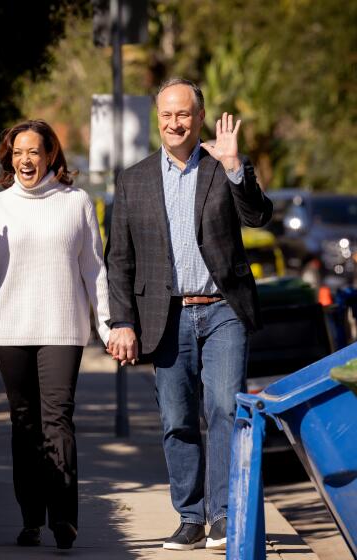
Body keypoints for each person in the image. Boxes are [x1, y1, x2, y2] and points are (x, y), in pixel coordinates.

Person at [105, 78, 272, 551]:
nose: (175, 123)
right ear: (156, 120)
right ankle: (190, 516)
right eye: (167, 115)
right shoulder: (132, 180)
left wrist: (236, 167)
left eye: (184, 115)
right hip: (166, 316)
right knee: (176, 418)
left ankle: (222, 515)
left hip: (223, 311)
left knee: (223, 409)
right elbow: (119, 258)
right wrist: (122, 321)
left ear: (199, 118)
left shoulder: (223, 167)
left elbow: (259, 217)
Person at [0, 120, 110, 550]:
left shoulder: (76, 202)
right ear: (9, 158)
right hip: (9, 329)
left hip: (63, 327)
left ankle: (64, 519)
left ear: (51, 155)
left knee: (57, 420)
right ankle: (31, 518)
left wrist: (107, 325)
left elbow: (94, 269)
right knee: (25, 423)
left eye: (33, 151)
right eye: (17, 153)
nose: (25, 160)